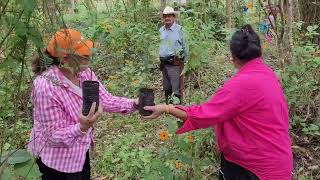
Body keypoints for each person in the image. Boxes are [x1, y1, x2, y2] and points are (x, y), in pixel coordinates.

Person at [145, 25, 293, 180]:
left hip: (255, 168)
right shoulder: (268, 75)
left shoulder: (240, 85)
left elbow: (201, 115)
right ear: (259, 52)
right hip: (278, 160)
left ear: (233, 57)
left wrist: (167, 108)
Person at [28, 29, 138, 180]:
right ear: (65, 59)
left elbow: (105, 99)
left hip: (79, 151)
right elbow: (52, 136)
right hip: (57, 161)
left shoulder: (84, 73)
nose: (90, 58)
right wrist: (82, 128)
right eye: (85, 56)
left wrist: (134, 104)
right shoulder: (45, 87)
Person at [159, 6, 188, 104]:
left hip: (175, 64)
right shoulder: (161, 30)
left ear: (173, 17)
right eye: (165, 16)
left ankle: (178, 110)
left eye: (169, 16)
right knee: (166, 87)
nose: (167, 18)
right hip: (164, 63)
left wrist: (185, 63)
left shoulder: (180, 30)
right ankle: (168, 109)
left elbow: (185, 47)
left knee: (176, 89)